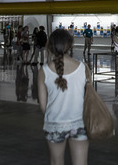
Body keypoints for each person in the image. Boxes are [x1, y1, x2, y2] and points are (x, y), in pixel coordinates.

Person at [37, 29, 88, 165]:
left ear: (50, 46)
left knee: (56, 162)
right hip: (79, 122)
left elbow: (43, 106)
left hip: (54, 124)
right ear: (70, 45)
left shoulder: (44, 71)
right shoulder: (83, 68)